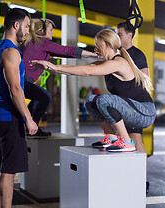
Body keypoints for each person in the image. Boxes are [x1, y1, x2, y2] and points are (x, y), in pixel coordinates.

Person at [31, 29, 156, 152]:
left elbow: (88, 72)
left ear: (108, 45)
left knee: (103, 100)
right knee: (90, 101)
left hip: (145, 111)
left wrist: (53, 66)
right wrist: (51, 67)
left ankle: (127, 142)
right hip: (129, 109)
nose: (95, 49)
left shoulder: (119, 62)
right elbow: (81, 68)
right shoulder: (106, 63)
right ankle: (112, 137)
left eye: (98, 46)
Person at [0, 8, 37, 208]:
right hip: (9, 117)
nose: (27, 31)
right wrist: (29, 118)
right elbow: (15, 88)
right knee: (9, 172)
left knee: (0, 166)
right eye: (26, 26)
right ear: (16, 25)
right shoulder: (11, 51)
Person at [20, 18, 96, 137]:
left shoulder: (30, 42)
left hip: (19, 80)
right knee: (45, 96)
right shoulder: (43, 43)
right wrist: (92, 54)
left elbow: (61, 53)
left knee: (37, 97)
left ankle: (27, 124)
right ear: (43, 31)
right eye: (51, 30)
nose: (53, 32)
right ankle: (32, 127)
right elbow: (66, 50)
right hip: (23, 81)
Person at [117, 21, 151, 192]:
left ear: (129, 35)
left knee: (136, 139)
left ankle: (142, 181)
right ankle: (127, 177)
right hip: (121, 104)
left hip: (134, 104)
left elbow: (144, 79)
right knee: (123, 140)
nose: (117, 37)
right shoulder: (118, 54)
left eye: (120, 34)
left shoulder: (136, 54)